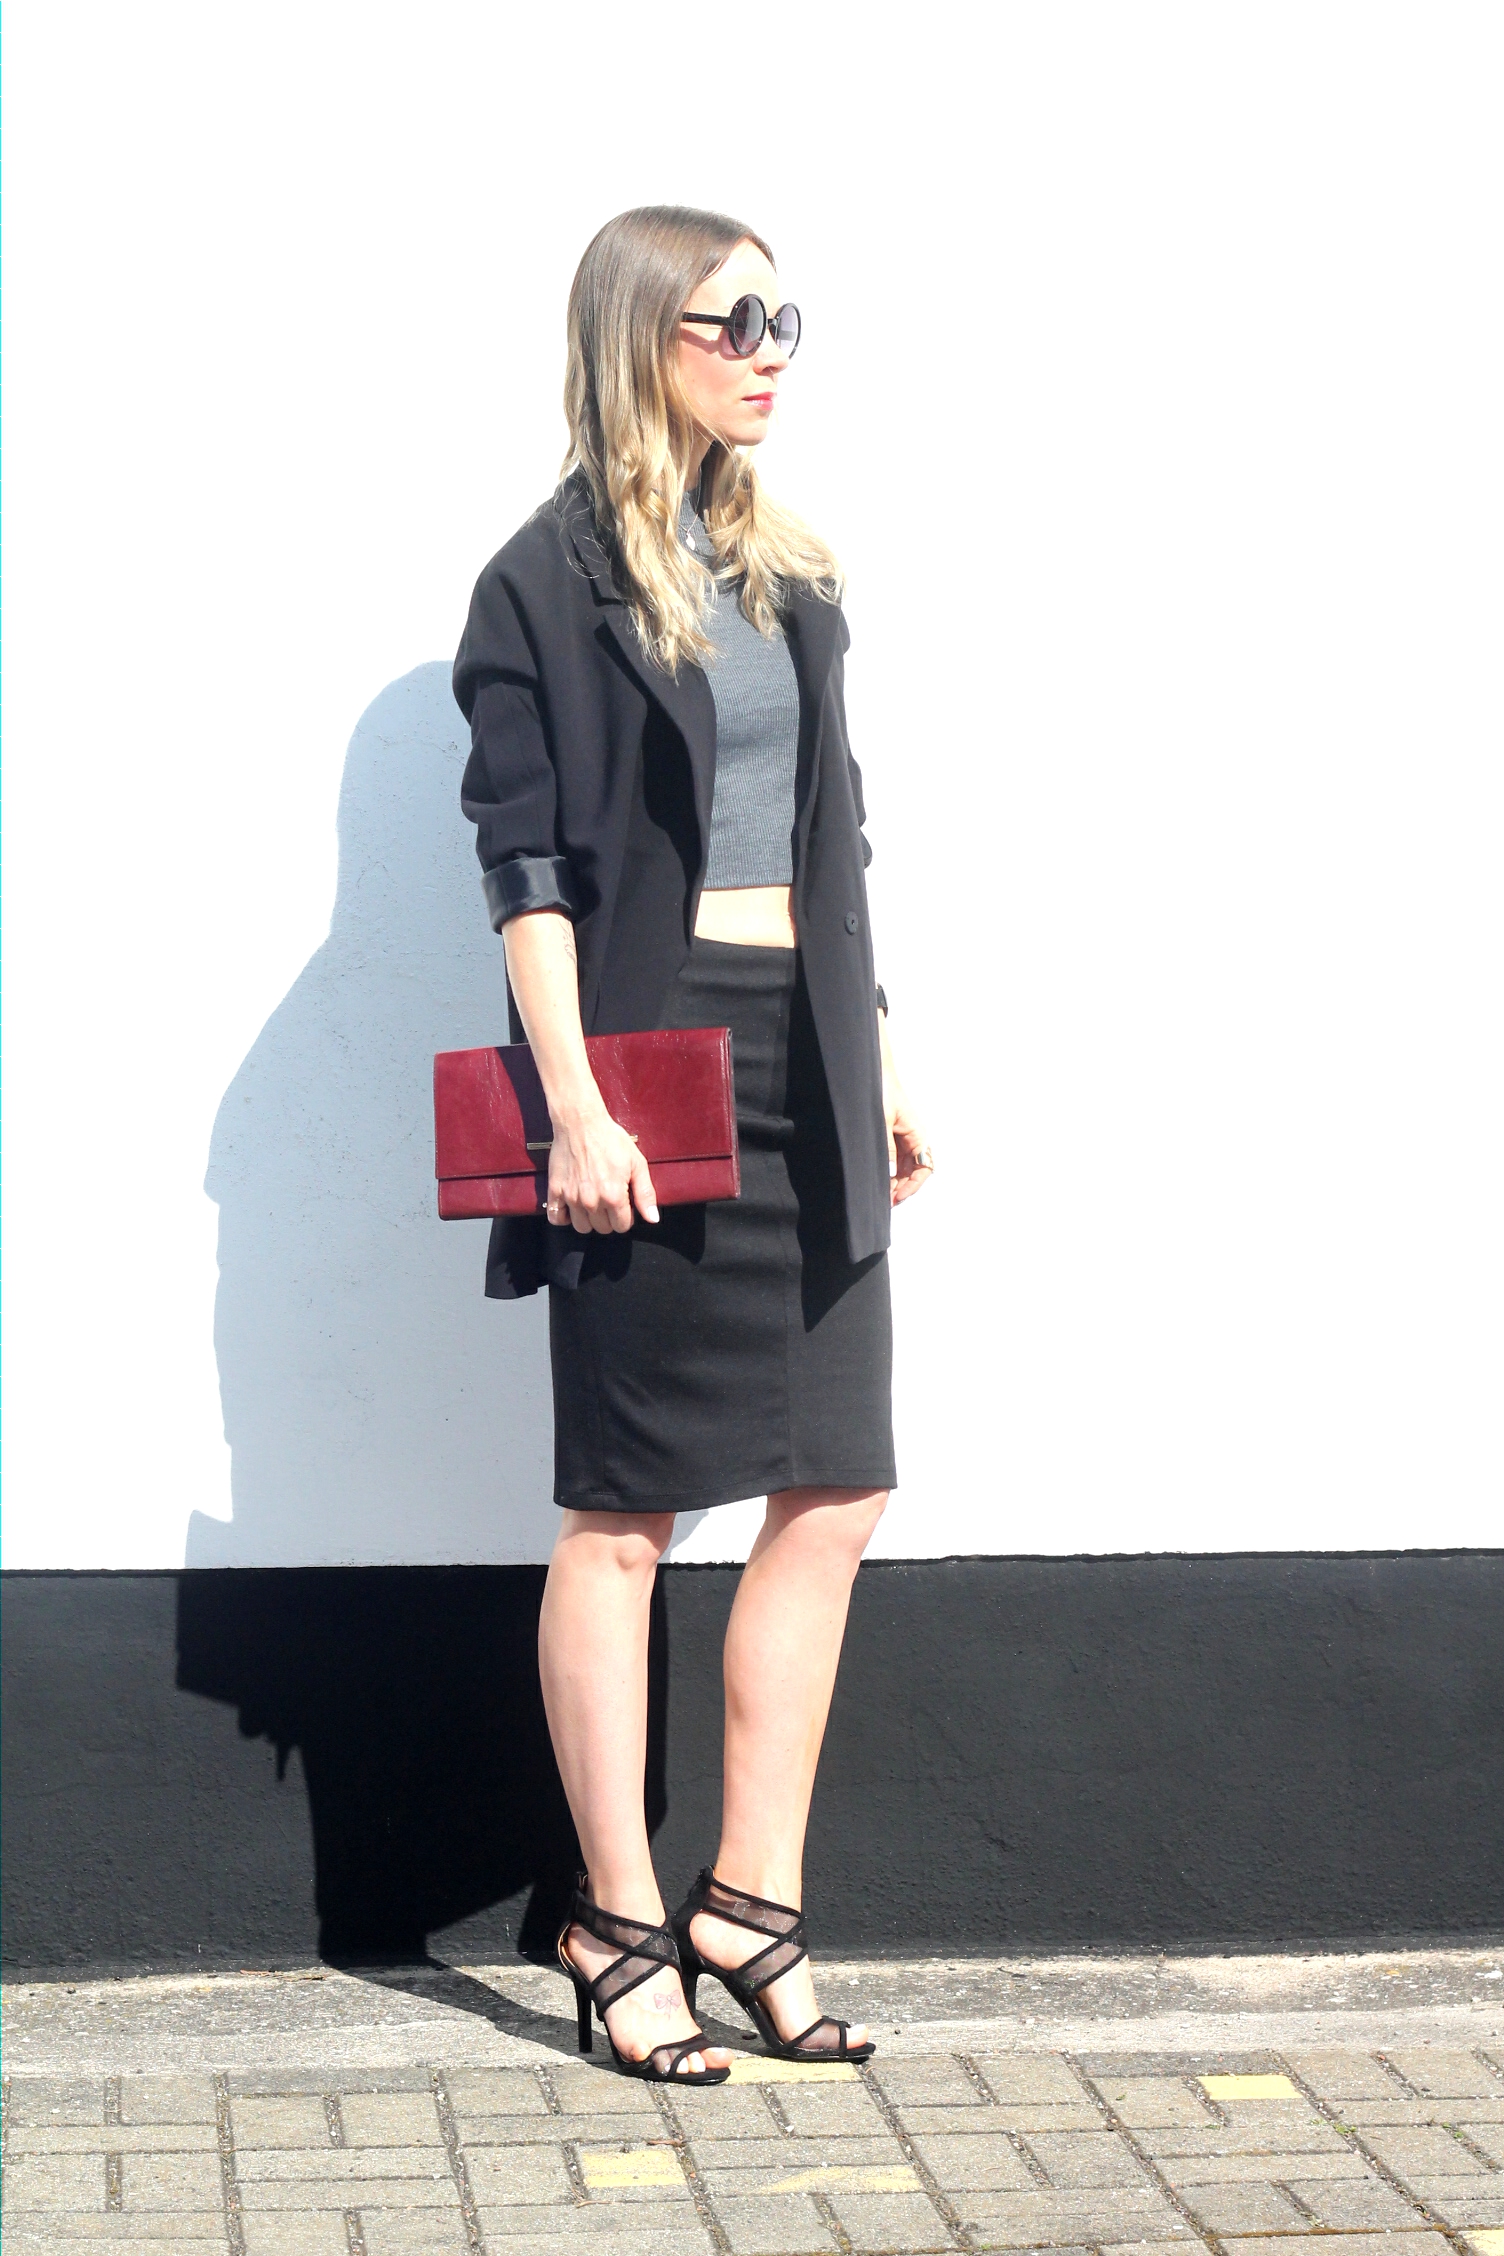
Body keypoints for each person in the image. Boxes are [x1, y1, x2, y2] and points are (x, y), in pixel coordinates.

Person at [453, 205, 932, 2084]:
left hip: (807, 1054)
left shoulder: (788, 574)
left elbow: (838, 832)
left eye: (783, 320)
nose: (769, 353)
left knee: (841, 1483)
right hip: (648, 1067)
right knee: (628, 1510)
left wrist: (880, 1050)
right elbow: (526, 870)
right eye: (733, 322)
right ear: (640, 335)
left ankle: (751, 1901)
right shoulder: (541, 583)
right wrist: (571, 1101)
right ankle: (613, 1918)